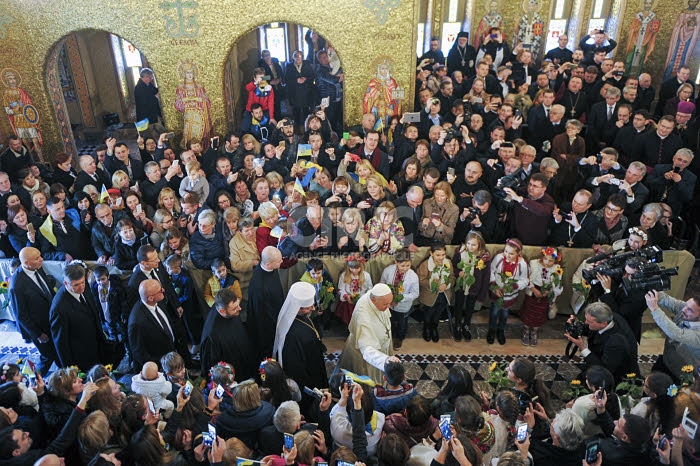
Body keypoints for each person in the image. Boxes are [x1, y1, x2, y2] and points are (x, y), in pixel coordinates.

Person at [273, 282, 328, 411]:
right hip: (306, 372)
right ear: (298, 309)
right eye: (309, 307)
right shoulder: (295, 333)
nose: (313, 309)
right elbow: (298, 366)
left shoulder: (292, 315)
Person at [338, 283, 401, 384]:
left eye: (390, 303)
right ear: (373, 300)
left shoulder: (374, 295)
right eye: (385, 304)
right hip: (371, 356)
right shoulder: (363, 316)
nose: (389, 307)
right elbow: (367, 349)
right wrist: (384, 360)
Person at [9, 247, 58, 375]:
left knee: (58, 349)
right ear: (27, 263)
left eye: (40, 255)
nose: (42, 259)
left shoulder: (36, 267)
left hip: (51, 319)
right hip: (39, 327)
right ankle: (35, 379)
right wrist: (38, 334)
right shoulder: (17, 285)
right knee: (48, 355)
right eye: (37, 258)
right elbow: (21, 315)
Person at [565, 302, 639, 384]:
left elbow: (603, 369)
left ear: (603, 324)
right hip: (600, 361)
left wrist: (582, 347)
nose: (585, 323)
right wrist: (576, 325)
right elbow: (590, 328)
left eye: (589, 321)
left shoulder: (616, 342)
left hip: (615, 378)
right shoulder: (607, 317)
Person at [49, 263, 105, 369]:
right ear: (65, 283)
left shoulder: (84, 285)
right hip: (80, 354)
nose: (81, 287)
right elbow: (61, 342)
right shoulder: (59, 308)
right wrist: (69, 368)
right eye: (76, 285)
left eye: (82, 282)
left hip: (95, 342)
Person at [200, 287, 256, 381]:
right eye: (234, 308)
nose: (240, 308)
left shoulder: (231, 313)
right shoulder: (211, 335)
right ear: (222, 311)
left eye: (238, 305)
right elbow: (213, 368)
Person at [644, 290, 700, 382]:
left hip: (682, 373)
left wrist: (654, 308)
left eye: (690, 310)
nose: (683, 309)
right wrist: (650, 287)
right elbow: (667, 300)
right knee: (650, 384)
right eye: (686, 305)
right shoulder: (685, 310)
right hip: (667, 359)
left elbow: (675, 333)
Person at [127, 279, 177, 372]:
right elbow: (139, 351)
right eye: (160, 290)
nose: (163, 290)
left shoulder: (158, 301)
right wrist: (155, 368)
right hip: (159, 365)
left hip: (169, 354)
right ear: (150, 298)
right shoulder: (136, 322)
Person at [488, 238, 529, 345]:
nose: (507, 255)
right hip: (497, 292)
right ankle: (491, 330)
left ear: (518, 253)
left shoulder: (522, 264)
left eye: (511, 253)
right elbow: (491, 270)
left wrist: (514, 286)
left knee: (505, 314)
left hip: (509, 295)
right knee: (494, 312)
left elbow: (525, 280)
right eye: (506, 251)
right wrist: (494, 286)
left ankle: (501, 331)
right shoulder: (499, 258)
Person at [247, 246, 284, 360]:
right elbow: (264, 314)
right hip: (266, 324)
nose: (282, 262)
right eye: (279, 261)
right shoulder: (260, 286)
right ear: (268, 264)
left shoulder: (269, 269)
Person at [417, 242, 455, 343]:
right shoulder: (425, 265)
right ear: (431, 253)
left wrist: (446, 285)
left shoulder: (448, 263)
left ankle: (434, 328)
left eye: (443, 255)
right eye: (438, 255)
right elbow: (421, 280)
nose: (441, 257)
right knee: (428, 313)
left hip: (444, 295)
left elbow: (452, 278)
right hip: (430, 295)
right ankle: (427, 328)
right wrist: (433, 284)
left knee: (438, 313)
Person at [503, 173, 555, 246]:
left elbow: (541, 211)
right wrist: (503, 187)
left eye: (535, 186)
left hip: (535, 241)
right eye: (530, 184)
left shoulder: (548, 201)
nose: (530, 188)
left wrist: (520, 199)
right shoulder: (522, 192)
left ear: (544, 188)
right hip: (515, 237)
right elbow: (506, 199)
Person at [134, 68, 163, 136]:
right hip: (144, 117)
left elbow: (154, 91)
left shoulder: (148, 84)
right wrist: (155, 97)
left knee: (156, 134)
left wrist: (161, 88)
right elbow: (144, 102)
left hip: (151, 115)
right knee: (146, 136)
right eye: (150, 77)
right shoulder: (139, 87)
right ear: (146, 77)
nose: (151, 79)